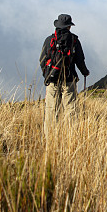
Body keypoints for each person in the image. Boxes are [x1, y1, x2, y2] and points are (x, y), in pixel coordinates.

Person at [39, 14, 90, 144]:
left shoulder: (49, 40)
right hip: (69, 79)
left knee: (51, 110)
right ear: (69, 26)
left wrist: (47, 75)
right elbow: (80, 60)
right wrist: (85, 72)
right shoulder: (74, 40)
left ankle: (49, 140)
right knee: (71, 109)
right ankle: (72, 139)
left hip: (52, 80)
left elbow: (42, 60)